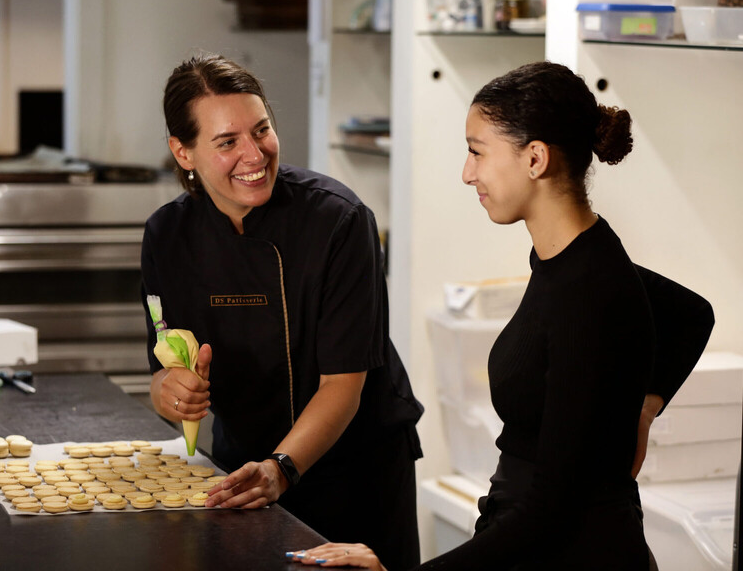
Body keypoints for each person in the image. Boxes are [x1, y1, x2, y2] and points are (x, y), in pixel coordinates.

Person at [290, 61, 714, 570]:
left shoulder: (591, 290)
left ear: (535, 158)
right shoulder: (574, 260)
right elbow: (692, 313)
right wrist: (642, 407)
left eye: (476, 151)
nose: (467, 173)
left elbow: (550, 516)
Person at [141, 53, 424, 571]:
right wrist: (168, 393)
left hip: (353, 470)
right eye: (227, 142)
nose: (255, 154)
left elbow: (344, 383)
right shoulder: (167, 235)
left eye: (262, 130)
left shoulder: (338, 222)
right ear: (183, 152)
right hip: (241, 468)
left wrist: (282, 467)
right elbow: (168, 364)